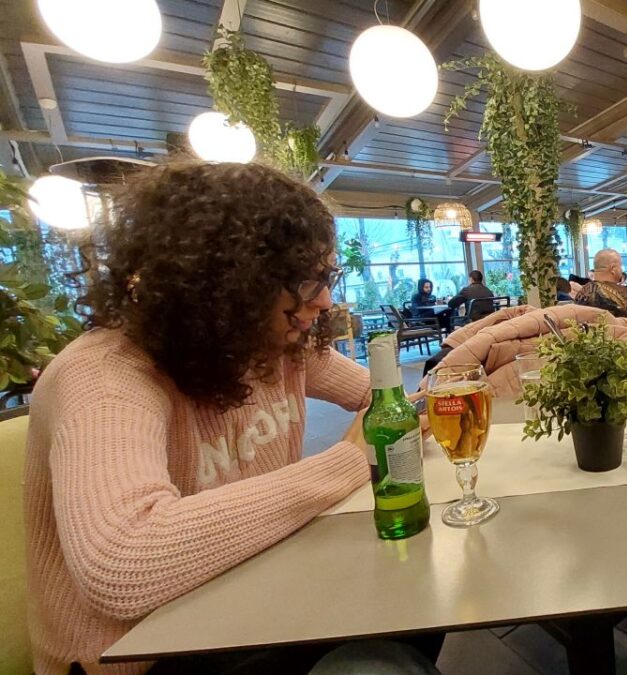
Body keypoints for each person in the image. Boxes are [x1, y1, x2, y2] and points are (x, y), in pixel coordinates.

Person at [22, 162, 442, 674]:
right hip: (142, 657)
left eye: (326, 276)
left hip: (247, 600)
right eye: (306, 279)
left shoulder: (273, 346)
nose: (326, 299)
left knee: (423, 590)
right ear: (228, 280)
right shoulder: (106, 373)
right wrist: (353, 459)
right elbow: (123, 562)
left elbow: (393, 401)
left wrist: (445, 386)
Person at [574, 248, 627, 320]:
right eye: (620, 266)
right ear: (613, 269)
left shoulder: (581, 294)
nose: (622, 270)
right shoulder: (625, 294)